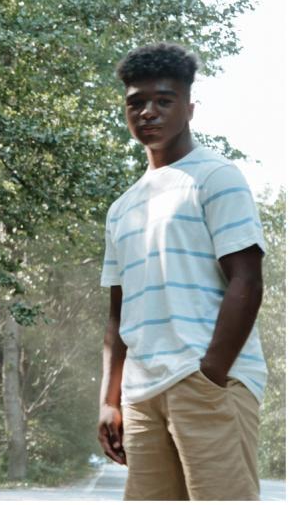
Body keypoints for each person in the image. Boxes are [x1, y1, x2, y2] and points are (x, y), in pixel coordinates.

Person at [98, 42, 267, 500]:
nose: (148, 111)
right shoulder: (121, 208)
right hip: (141, 395)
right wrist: (110, 400)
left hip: (207, 382)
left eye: (163, 100)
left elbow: (247, 282)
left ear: (189, 107)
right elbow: (118, 315)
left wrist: (210, 374)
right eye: (136, 102)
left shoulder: (216, 177)